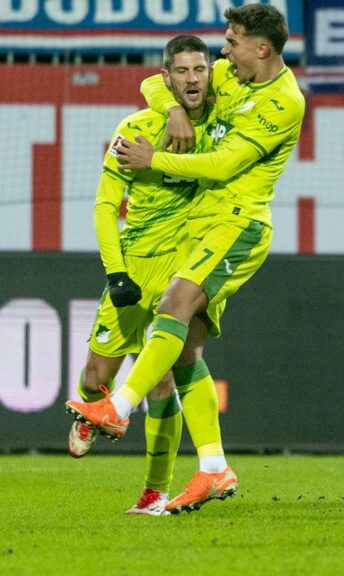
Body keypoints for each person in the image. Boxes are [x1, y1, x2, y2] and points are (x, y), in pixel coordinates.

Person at [66, 3, 306, 515]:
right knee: (184, 351)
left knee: (173, 310)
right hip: (202, 229)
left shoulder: (283, 101)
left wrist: (154, 159)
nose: (223, 51)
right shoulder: (227, 74)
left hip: (237, 223)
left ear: (261, 48)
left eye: (233, 41)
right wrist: (173, 108)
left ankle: (119, 407)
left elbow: (222, 165)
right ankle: (215, 468)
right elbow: (167, 82)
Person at [68, 35, 215, 516]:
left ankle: (155, 491)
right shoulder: (135, 128)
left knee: (162, 382)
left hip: (186, 272)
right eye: (182, 71)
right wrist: (115, 273)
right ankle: (93, 408)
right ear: (167, 77)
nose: (192, 79)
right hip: (134, 268)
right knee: (95, 377)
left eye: (200, 69)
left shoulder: (222, 123)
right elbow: (105, 206)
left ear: (210, 73)